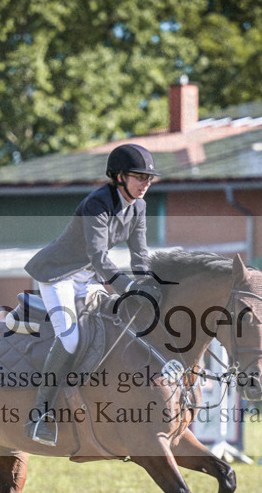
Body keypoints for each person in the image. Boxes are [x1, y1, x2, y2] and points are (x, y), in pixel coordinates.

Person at [22, 143, 161, 445]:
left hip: (87, 278)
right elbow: (98, 255)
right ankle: (39, 415)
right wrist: (127, 287)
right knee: (70, 337)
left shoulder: (138, 206)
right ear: (120, 176)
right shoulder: (97, 204)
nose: (146, 184)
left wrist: (148, 284)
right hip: (58, 274)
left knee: (114, 322)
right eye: (140, 177)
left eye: (150, 179)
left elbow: (140, 254)